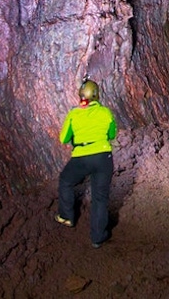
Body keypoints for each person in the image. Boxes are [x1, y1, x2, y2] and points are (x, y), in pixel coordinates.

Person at [56, 78, 118, 248]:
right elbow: (112, 134)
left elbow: (63, 138)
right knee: (100, 198)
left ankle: (67, 216)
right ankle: (98, 237)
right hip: (103, 158)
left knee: (66, 181)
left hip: (81, 157)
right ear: (97, 95)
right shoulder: (106, 112)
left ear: (81, 96)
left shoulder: (74, 114)